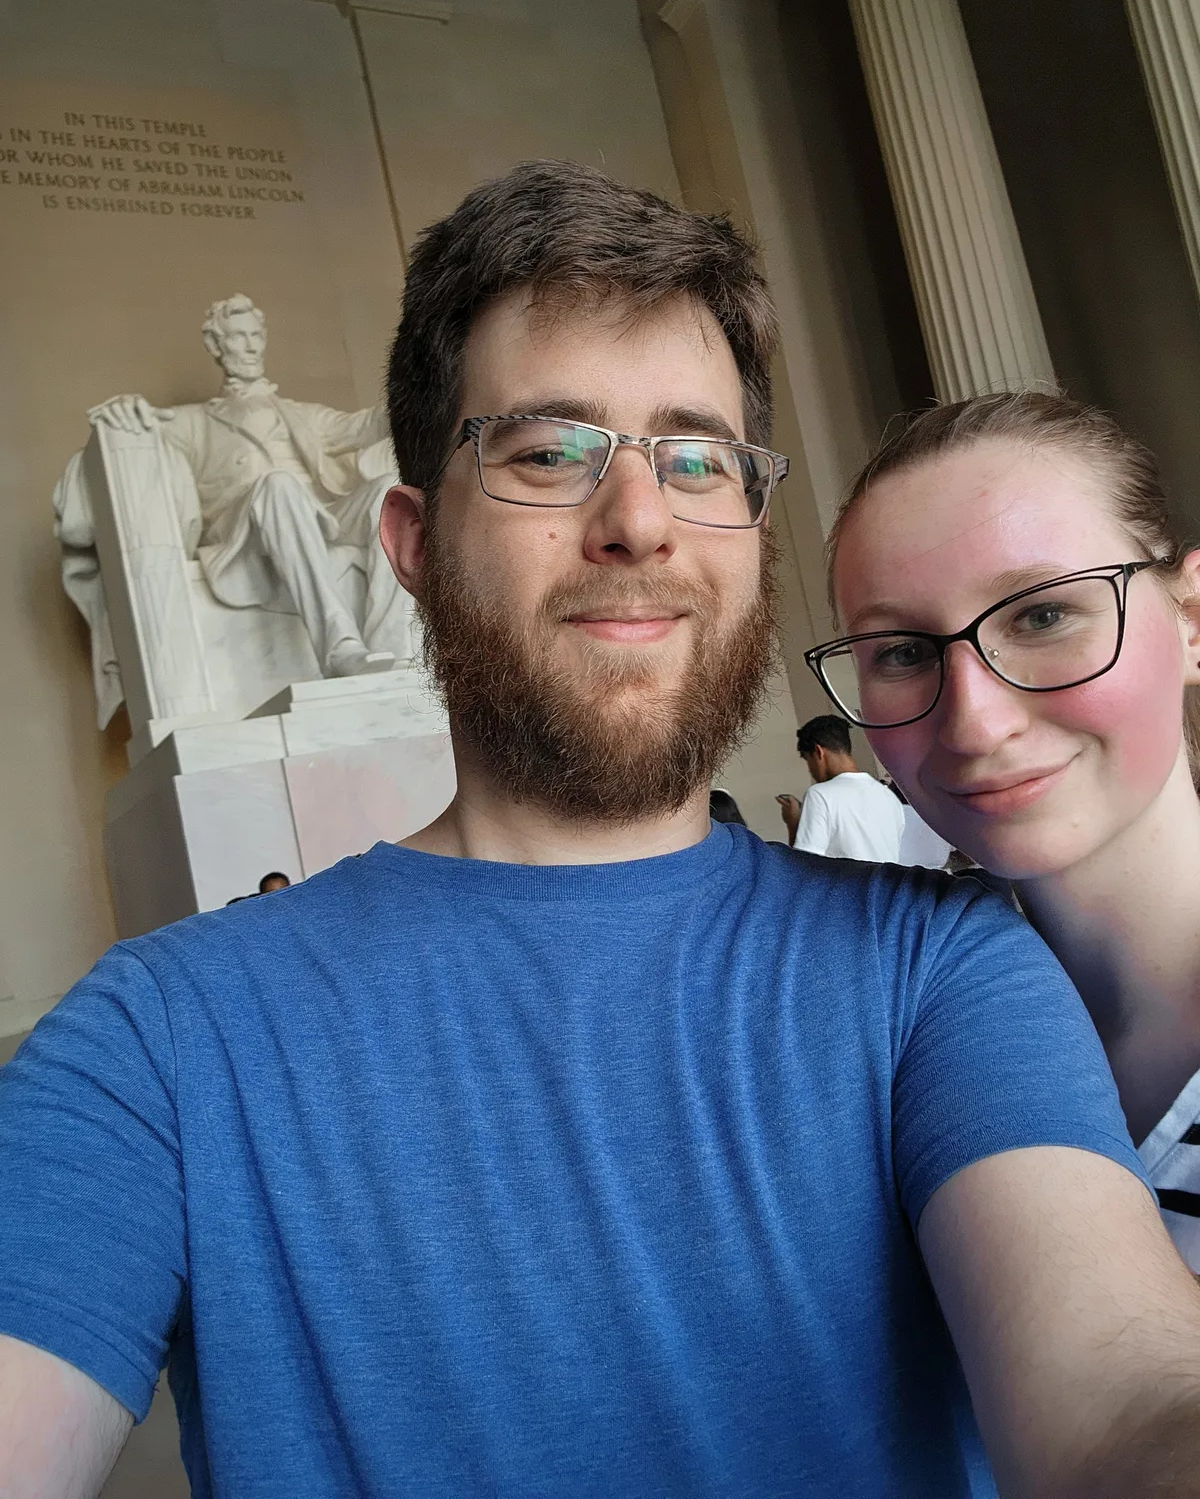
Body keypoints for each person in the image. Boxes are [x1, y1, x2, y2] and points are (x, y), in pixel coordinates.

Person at [3, 170, 1200, 1499]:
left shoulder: (942, 971)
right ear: (410, 540)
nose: (636, 521)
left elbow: (1123, 1396)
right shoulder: (159, 1043)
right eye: (546, 452)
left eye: (699, 461)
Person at [807, 388, 1200, 1269]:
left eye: (1044, 614)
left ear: (1192, 621)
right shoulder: (880, 1023)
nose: (977, 724)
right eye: (902, 653)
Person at [84, 293, 412, 679]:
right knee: (278, 484)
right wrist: (125, 407)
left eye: (257, 335)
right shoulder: (194, 421)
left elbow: (368, 425)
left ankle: (393, 648)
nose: (252, 345)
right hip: (244, 533)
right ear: (215, 346)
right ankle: (339, 646)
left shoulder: (303, 415)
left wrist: (421, 386)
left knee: (389, 491)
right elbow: (144, 424)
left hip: (320, 519)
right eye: (239, 337)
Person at [777, 713, 904, 860]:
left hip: (847, 883)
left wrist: (793, 824)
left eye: (808, 760)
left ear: (819, 752)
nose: (810, 770)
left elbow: (804, 866)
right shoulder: (887, 795)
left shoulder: (819, 794)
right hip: (883, 883)